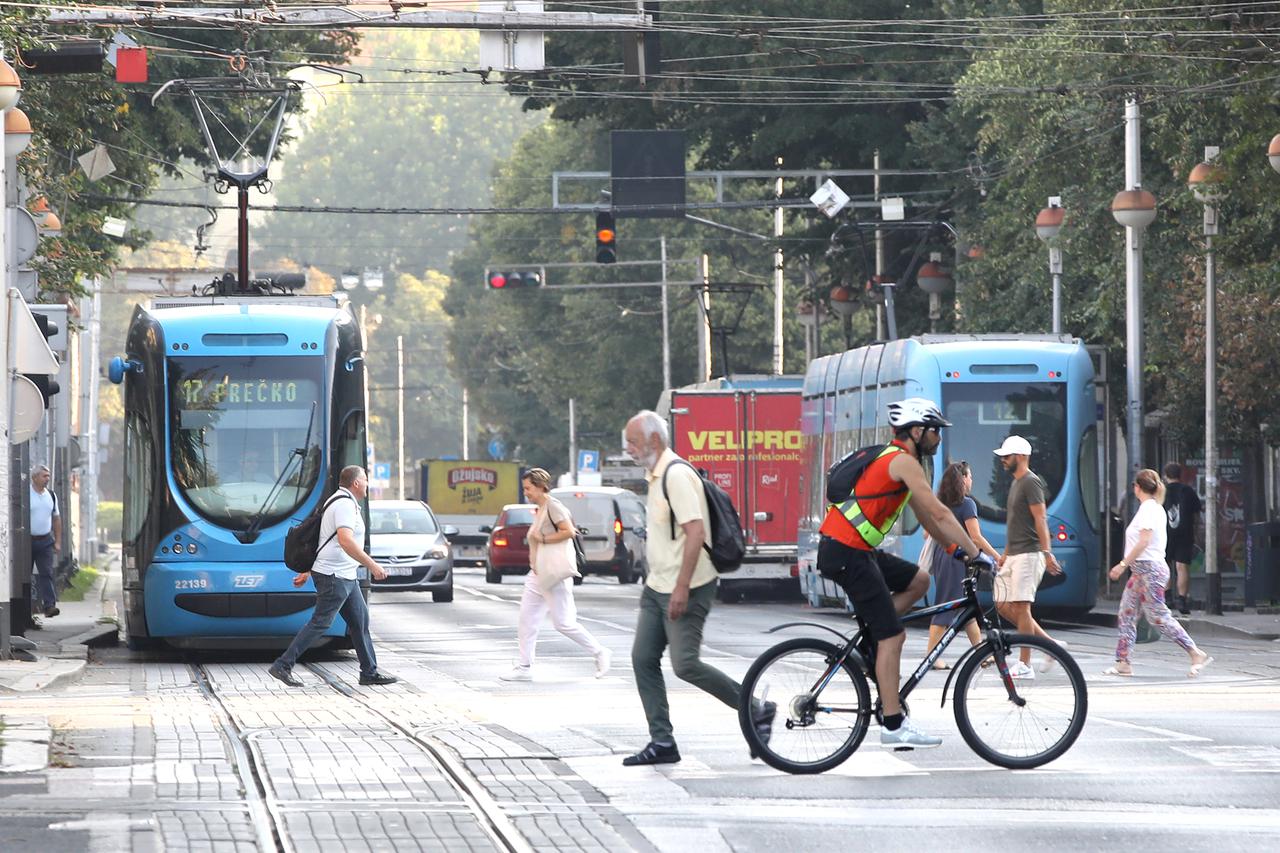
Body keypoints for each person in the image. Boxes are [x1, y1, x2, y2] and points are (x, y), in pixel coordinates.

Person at [816, 398, 983, 749]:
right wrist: (975, 553)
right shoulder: (903, 461)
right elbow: (939, 513)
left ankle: (874, 639)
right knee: (893, 637)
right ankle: (893, 724)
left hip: (854, 549)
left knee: (919, 581)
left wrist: (954, 550)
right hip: (848, 552)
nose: (938, 438)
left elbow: (925, 516)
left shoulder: (900, 462)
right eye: (934, 431)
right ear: (917, 431)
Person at [620, 410, 773, 766]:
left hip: (687, 586)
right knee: (643, 658)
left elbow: (695, 533)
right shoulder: (654, 475)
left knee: (685, 664)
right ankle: (662, 742)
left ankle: (756, 708)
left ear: (653, 440)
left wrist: (682, 588)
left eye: (632, 441)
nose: (628, 448)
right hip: (656, 586)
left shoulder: (676, 475)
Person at [269, 466, 399, 688]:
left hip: (344, 575)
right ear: (356, 483)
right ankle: (283, 665)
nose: (368, 484)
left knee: (360, 622)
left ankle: (369, 672)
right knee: (321, 622)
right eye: (366, 480)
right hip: (334, 575)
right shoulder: (344, 505)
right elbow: (345, 541)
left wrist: (308, 571)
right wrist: (373, 565)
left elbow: (325, 542)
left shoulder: (343, 502)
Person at [499, 467, 610, 682]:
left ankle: (600, 652)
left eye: (529, 488)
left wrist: (543, 539)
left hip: (553, 574)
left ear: (541, 487)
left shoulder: (553, 506)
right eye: (524, 488)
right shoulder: (541, 508)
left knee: (564, 623)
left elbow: (568, 531)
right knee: (527, 620)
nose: (526, 493)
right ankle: (524, 666)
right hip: (537, 574)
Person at [1106, 469, 1213, 677]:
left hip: (1150, 570)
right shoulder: (1151, 508)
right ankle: (1123, 661)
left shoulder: (1149, 510)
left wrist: (1122, 565)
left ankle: (1195, 652)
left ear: (1137, 488)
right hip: (1141, 572)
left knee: (1157, 616)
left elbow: (1143, 541)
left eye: (1134, 486)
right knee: (1126, 614)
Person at [992, 435, 1065, 677]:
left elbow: (1040, 518)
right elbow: (1016, 523)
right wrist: (1005, 554)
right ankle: (1051, 647)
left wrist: (1047, 553)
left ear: (1021, 456)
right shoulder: (1016, 483)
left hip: (1029, 554)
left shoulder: (1031, 482)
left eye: (1007, 456)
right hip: (1014, 554)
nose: (1003, 460)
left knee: (1022, 607)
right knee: (1002, 604)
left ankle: (1025, 664)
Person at [924, 461, 999, 669]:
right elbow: (975, 537)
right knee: (946, 607)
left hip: (943, 555)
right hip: (955, 559)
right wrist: (995, 557)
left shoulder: (942, 503)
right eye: (970, 476)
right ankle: (931, 657)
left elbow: (926, 533)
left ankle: (981, 653)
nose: (972, 480)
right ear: (963, 479)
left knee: (967, 609)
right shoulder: (967, 504)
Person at [1162, 462, 1202, 617]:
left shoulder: (1162, 491)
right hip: (1185, 533)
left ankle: (1167, 597)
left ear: (1165, 475)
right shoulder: (1188, 491)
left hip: (1165, 534)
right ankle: (1182, 600)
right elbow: (1197, 514)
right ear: (1180, 475)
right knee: (1182, 567)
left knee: (1165, 565)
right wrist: (1196, 531)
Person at [30, 464, 62, 620]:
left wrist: (58, 541)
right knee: (24, 575)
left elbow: (56, 519)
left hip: (45, 541)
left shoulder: (51, 495)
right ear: (34, 477)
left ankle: (49, 606)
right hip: (27, 541)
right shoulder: (27, 493)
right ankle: (27, 607)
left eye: (48, 476)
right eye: (44, 476)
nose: (47, 479)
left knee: (47, 573)